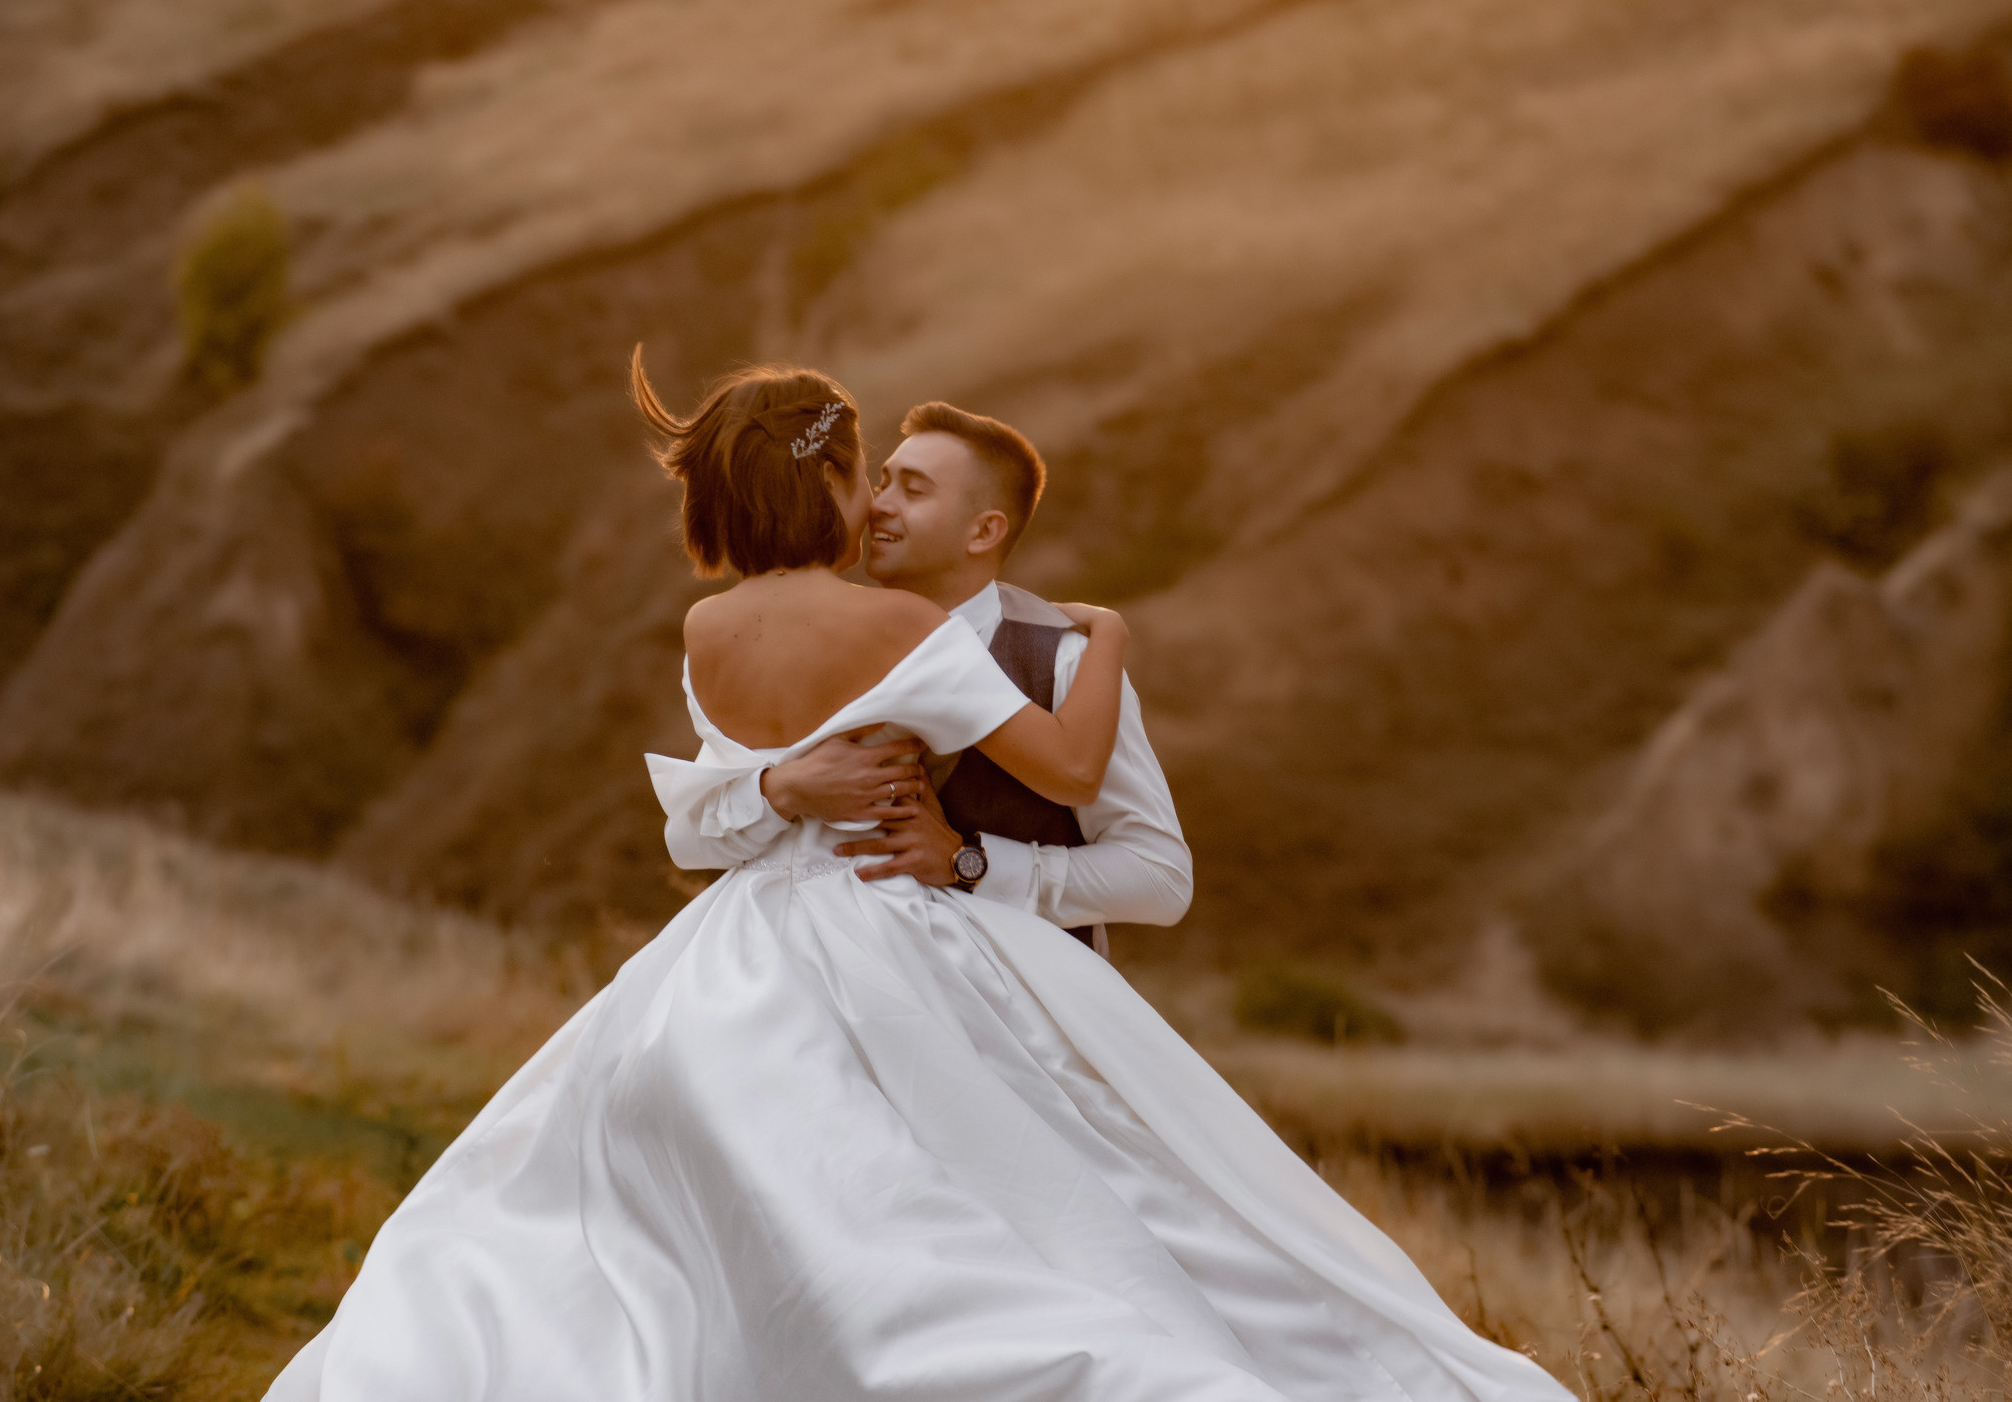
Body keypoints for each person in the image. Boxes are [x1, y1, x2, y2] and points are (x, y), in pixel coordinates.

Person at [263, 355, 1573, 1402]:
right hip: (887, 931)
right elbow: (1063, 767)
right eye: (867, 472)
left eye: (905, 480)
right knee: (955, 1203)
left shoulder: (707, 626)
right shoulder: (899, 626)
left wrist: (778, 785)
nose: (879, 499)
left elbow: (702, 826)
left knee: (717, 1199)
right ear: (829, 487)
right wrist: (1107, 640)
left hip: (735, 948)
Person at [660, 399, 1189, 959]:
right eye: (881, 481)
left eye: (912, 491)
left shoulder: (1064, 662)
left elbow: (1161, 878)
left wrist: (972, 862)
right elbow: (695, 830)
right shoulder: (813, 645)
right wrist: (782, 789)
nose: (880, 506)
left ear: (984, 531)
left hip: (1017, 1019)